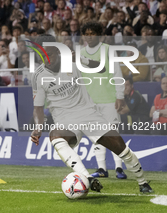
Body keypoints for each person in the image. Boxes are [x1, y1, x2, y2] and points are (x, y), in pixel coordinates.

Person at [30, 34, 153, 193]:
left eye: (49, 54)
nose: (46, 60)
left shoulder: (72, 62)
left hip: (89, 114)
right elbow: (38, 107)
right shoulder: (38, 76)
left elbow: (101, 68)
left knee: (122, 150)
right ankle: (86, 178)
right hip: (65, 120)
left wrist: (81, 60)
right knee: (55, 135)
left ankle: (143, 183)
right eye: (41, 57)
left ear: (58, 51)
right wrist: (38, 128)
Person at [80, 21, 127, 179]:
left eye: (92, 33)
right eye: (86, 33)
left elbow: (117, 73)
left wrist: (120, 95)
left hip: (109, 99)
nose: (89, 36)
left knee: (113, 134)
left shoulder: (108, 50)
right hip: (90, 102)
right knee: (97, 136)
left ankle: (119, 168)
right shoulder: (81, 53)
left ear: (99, 34)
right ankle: (102, 169)